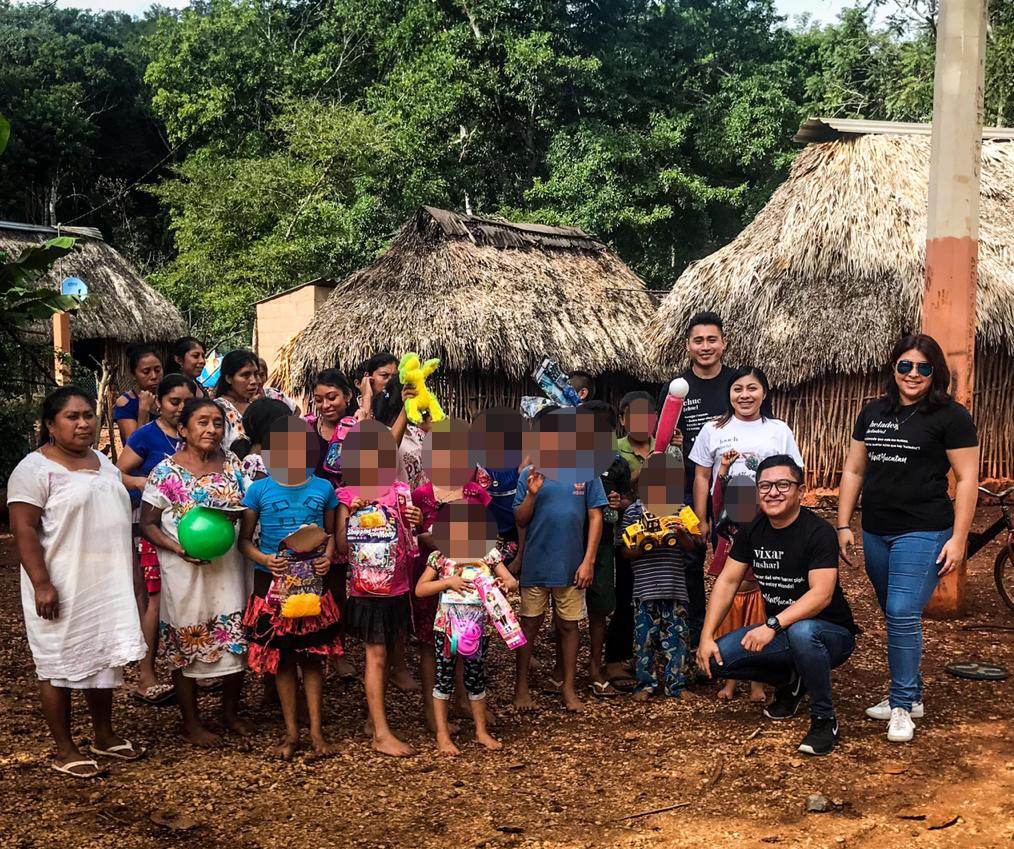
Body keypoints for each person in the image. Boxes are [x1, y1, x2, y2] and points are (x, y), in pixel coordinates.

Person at [837, 334, 978, 744]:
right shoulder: (873, 412)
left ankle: (901, 705)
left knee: (901, 611)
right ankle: (911, 693)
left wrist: (959, 538)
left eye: (923, 367)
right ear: (893, 368)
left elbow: (967, 479)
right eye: (905, 365)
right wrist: (843, 524)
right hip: (876, 528)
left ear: (936, 373)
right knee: (894, 612)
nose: (913, 374)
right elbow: (854, 470)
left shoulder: (951, 416)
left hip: (925, 527)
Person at [8, 387, 148, 778]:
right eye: (72, 416)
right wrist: (42, 583)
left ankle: (104, 735)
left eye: (88, 415)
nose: (84, 423)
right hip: (61, 583)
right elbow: (23, 529)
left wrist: (134, 573)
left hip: (105, 583)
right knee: (58, 664)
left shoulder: (102, 463)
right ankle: (64, 748)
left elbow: (118, 518)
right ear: (50, 425)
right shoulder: (33, 470)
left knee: (101, 658)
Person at [698, 456, 859, 757]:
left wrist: (772, 625)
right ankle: (793, 681)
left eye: (783, 485)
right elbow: (727, 582)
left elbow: (821, 595)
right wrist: (706, 636)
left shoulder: (817, 532)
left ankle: (824, 720)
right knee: (718, 661)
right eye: (765, 486)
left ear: (801, 491)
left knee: (803, 631)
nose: (773, 492)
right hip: (784, 632)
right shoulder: (753, 529)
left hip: (830, 634)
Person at [689, 365, 803, 702]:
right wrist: (702, 519)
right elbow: (702, 477)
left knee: (766, 591)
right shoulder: (713, 429)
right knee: (732, 589)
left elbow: (794, 475)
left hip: (770, 522)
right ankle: (731, 667)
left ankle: (765, 670)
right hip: (729, 524)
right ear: (729, 394)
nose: (745, 395)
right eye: (737, 389)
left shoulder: (778, 430)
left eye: (752, 388)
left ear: (764, 393)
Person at [140, 398, 250, 746]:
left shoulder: (232, 465)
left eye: (217, 423)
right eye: (202, 422)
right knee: (185, 638)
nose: (211, 429)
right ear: (183, 429)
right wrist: (177, 548)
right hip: (183, 570)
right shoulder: (165, 472)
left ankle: (230, 713)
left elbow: (249, 505)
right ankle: (191, 721)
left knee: (234, 636)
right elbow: (147, 523)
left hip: (229, 566)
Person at [239, 417, 342, 759]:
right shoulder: (258, 490)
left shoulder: (323, 488)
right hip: (272, 585)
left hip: (312, 584)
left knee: (312, 658)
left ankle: (316, 732)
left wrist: (327, 558)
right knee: (282, 658)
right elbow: (244, 542)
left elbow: (329, 535)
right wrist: (265, 560)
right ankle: (291, 732)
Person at [512, 408, 608, 713]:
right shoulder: (529, 473)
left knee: (569, 626)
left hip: (571, 565)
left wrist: (588, 560)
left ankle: (568, 687)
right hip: (537, 564)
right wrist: (531, 494)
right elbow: (520, 519)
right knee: (529, 624)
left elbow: (596, 517)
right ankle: (521, 687)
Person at [337, 420, 424, 757]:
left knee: (385, 656)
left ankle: (374, 721)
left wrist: (415, 521)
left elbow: (411, 540)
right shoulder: (348, 495)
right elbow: (341, 546)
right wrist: (351, 516)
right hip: (368, 591)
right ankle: (380, 733)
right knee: (375, 657)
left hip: (398, 587)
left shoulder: (400, 490)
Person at [659, 311, 737, 651]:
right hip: (688, 487)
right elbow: (660, 439)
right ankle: (694, 634)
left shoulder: (738, 383)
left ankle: (731, 631)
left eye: (711, 340)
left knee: (737, 559)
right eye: (698, 340)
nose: (705, 347)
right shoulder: (676, 388)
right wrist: (672, 442)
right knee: (690, 559)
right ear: (688, 346)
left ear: (724, 343)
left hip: (735, 490)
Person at [116, 373, 196, 705]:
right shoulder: (146, 435)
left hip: (192, 529)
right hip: (152, 526)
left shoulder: (197, 433)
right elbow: (117, 473)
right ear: (159, 402)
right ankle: (146, 675)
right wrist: (141, 483)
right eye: (174, 401)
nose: (181, 408)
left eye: (187, 402)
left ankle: (196, 667)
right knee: (156, 598)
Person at [416, 528, 518, 755]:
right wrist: (446, 583)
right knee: (444, 678)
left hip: (478, 629)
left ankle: (481, 731)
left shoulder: (489, 554)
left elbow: (511, 581)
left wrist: (504, 584)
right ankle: (442, 735)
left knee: (476, 676)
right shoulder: (439, 556)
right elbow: (420, 589)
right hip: (447, 628)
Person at [605, 390, 674, 683]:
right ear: (622, 419)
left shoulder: (668, 448)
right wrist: (646, 469)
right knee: (625, 595)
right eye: (633, 416)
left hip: (662, 537)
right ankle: (616, 657)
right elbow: (611, 491)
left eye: (647, 416)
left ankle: (657, 657)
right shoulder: (613, 450)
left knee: (660, 594)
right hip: (625, 535)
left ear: (656, 418)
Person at [620, 494, 691, 700]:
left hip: (674, 585)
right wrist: (642, 543)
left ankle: (677, 684)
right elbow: (624, 550)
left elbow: (693, 545)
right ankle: (645, 684)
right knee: (644, 640)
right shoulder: (633, 512)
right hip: (645, 587)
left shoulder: (680, 508)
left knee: (678, 638)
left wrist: (681, 533)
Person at [581, 399, 629, 697]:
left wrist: (619, 503)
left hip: (604, 544)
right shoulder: (564, 462)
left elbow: (627, 499)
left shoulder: (617, 464)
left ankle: (595, 665)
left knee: (599, 606)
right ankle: (562, 669)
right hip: (571, 542)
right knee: (566, 608)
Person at [213, 349, 262, 451]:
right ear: (228, 378)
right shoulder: (218, 409)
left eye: (256, 374)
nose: (254, 381)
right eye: (245, 375)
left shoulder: (257, 406)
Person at [114, 344, 164, 443]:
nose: (154, 376)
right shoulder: (125, 403)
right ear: (133, 374)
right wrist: (143, 412)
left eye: (158, 370)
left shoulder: (168, 397)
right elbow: (134, 445)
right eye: (146, 372)